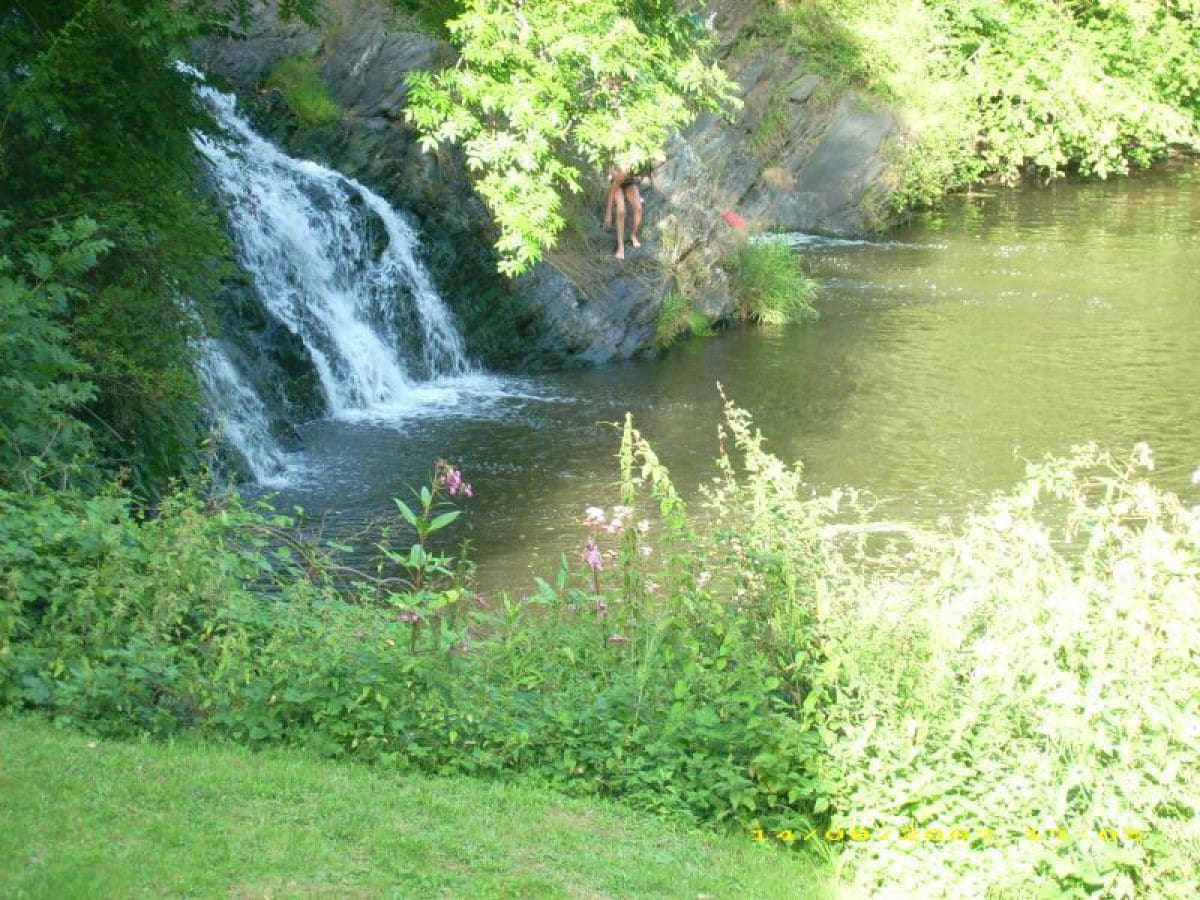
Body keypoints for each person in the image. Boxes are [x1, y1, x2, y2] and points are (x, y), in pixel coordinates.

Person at [603, 162, 651, 260]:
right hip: (616, 184)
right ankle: (621, 246)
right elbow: (612, 192)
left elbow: (647, 175)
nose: (643, 177)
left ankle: (633, 236)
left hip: (629, 184)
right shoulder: (624, 171)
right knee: (621, 210)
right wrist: (608, 214)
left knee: (638, 208)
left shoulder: (642, 165)